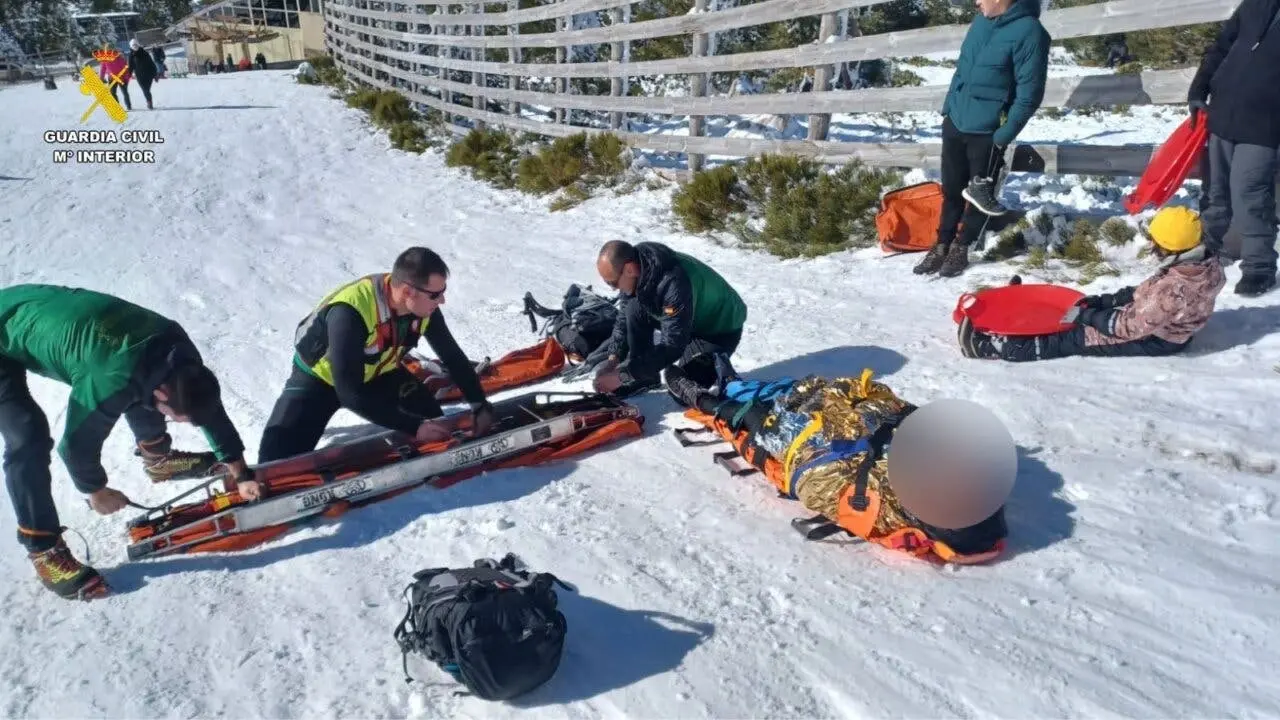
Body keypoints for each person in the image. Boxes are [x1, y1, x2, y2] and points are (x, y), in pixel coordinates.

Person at [0, 284, 259, 601]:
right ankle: (43, 548)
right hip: (12, 327)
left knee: (140, 386)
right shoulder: (110, 376)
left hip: (37, 311)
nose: (184, 422)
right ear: (164, 394)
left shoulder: (181, 355)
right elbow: (76, 445)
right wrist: (96, 490)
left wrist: (241, 473)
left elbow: (207, 408)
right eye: (178, 417)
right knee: (28, 436)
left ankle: (158, 460)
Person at [663, 365, 1011, 564]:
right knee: (795, 393)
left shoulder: (878, 500)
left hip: (808, 443)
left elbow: (812, 476)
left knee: (753, 419)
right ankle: (731, 382)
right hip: (841, 420)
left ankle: (701, 396)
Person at [257, 247, 495, 464]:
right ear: (407, 291)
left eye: (442, 292)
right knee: (275, 461)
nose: (442, 300)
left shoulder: (423, 308)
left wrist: (479, 405)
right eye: (435, 295)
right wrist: (413, 427)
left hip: (379, 373)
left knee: (434, 423)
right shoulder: (349, 313)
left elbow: (451, 355)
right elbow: (349, 393)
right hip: (320, 381)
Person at [958, 206, 1227, 362]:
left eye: (1156, 242)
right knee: (1085, 318)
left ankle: (992, 347)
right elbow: (1151, 292)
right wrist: (1108, 301)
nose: (1151, 244)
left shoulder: (1173, 289)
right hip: (1160, 322)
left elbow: (1129, 327)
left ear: (1171, 248)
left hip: (1156, 338)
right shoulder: (1203, 265)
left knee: (1074, 337)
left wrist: (1089, 316)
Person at [914, 0, 1050, 278]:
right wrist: (948, 108)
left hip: (988, 130)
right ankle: (941, 245)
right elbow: (962, 69)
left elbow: (1029, 94)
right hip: (956, 120)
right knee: (952, 189)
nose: (976, 1)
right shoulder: (980, 23)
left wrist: (1003, 135)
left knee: (979, 196)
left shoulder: (1031, 33)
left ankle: (961, 248)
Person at [1187, 0, 1280, 297]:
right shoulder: (1255, 4)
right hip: (1224, 112)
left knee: (1249, 193)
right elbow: (1221, 46)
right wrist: (1199, 87)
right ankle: (1207, 252)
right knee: (1214, 190)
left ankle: (1259, 267)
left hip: (1266, 123)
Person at [591, 240, 747, 398]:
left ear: (630, 269)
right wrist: (613, 360)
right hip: (686, 320)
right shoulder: (638, 267)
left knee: (683, 389)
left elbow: (672, 345)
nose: (613, 288)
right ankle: (645, 378)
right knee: (633, 307)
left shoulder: (673, 282)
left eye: (613, 282)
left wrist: (622, 376)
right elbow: (624, 315)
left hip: (718, 328)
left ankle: (643, 372)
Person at [127, 38, 158, 109]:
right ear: (131, 46)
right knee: (145, 90)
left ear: (138, 44)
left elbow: (151, 64)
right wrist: (128, 75)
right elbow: (130, 67)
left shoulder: (145, 53)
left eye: (136, 45)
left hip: (148, 75)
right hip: (139, 76)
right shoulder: (131, 55)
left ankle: (149, 101)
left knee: (147, 89)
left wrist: (155, 74)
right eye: (133, 45)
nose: (135, 46)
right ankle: (149, 103)